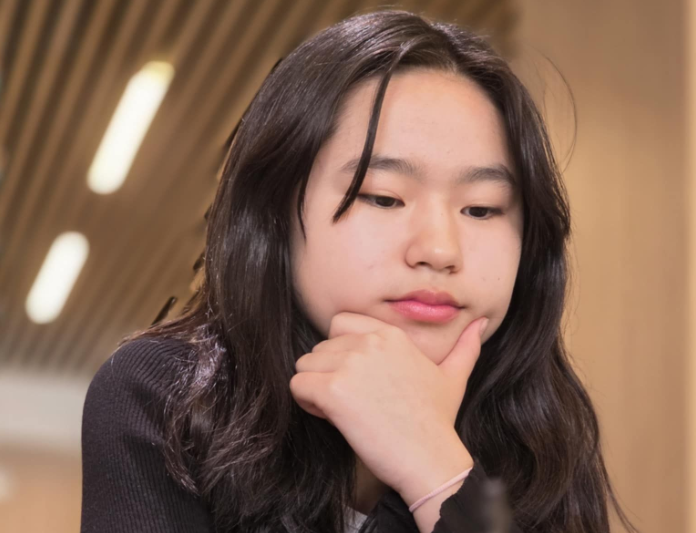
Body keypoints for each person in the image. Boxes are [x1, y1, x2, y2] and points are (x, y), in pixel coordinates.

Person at [80, 9, 638, 533]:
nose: (439, 249)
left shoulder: (543, 431)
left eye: (481, 208)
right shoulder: (167, 394)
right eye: (383, 197)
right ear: (274, 214)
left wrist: (434, 466)